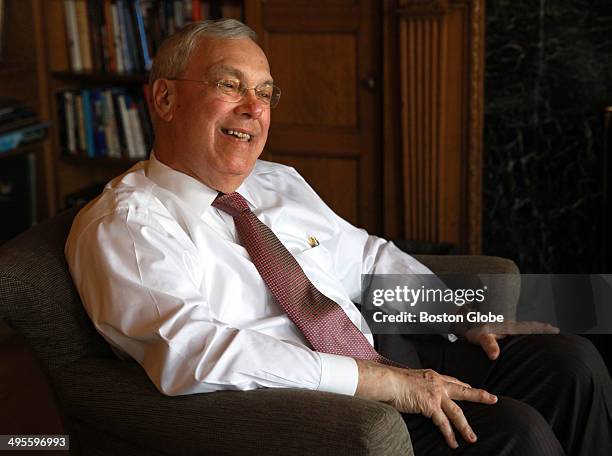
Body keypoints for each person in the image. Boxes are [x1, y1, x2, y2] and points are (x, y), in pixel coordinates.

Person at [65, 19, 611, 455]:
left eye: (265, 92)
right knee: (516, 431)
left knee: (570, 362)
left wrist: (453, 310)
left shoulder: (277, 181)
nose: (254, 109)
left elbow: (362, 256)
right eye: (229, 85)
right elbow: (195, 353)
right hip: (315, 407)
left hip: (381, 348)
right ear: (164, 99)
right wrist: (380, 383)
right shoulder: (126, 225)